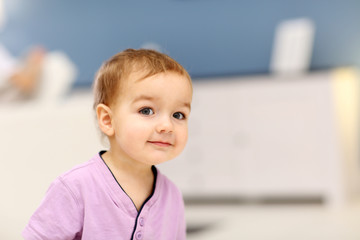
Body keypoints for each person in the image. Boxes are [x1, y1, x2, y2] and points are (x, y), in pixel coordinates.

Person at [22, 48, 193, 240]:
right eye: (146, 111)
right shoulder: (75, 188)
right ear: (108, 120)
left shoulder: (172, 196)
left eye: (178, 115)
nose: (167, 126)